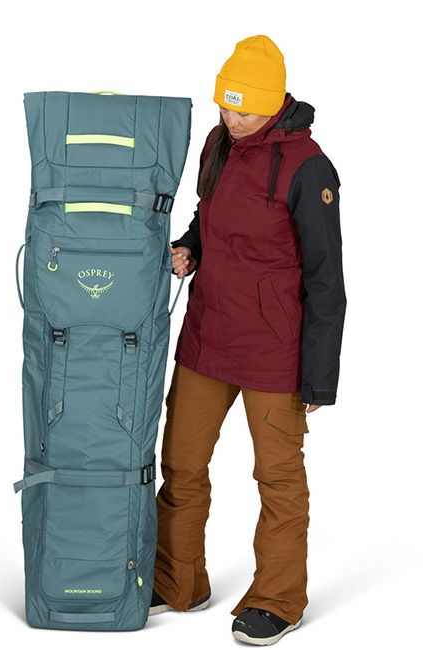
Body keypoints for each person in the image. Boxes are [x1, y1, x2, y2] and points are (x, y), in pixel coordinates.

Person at [148, 35, 347, 645]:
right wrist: (191, 248)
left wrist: (319, 378)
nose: (233, 121)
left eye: (246, 111)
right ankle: (179, 580)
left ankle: (278, 599)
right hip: (208, 336)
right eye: (225, 107)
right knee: (180, 464)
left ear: (275, 103)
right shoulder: (218, 144)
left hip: (273, 352)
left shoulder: (309, 167)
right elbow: (210, 217)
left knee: (278, 480)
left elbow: (327, 279)